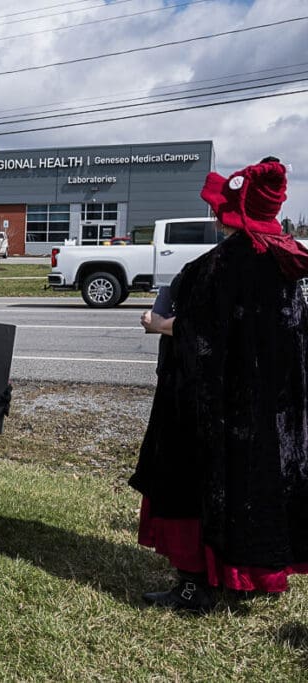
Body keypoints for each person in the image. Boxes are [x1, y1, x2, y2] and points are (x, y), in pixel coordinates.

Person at [130, 158, 308, 612]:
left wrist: (158, 324)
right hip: (269, 406)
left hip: (214, 404)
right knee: (251, 485)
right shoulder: (285, 259)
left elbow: (202, 336)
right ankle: (240, 578)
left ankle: (194, 586)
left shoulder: (217, 266)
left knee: (199, 485)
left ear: (226, 214)